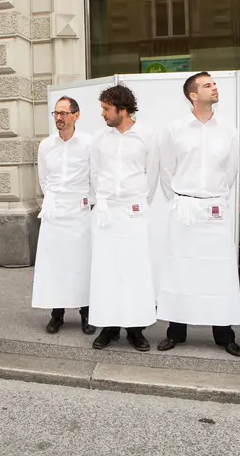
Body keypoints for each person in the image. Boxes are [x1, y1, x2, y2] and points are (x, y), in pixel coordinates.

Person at [156, 72, 240, 357]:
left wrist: (214, 197)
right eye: (207, 85)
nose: (214, 88)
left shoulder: (228, 130)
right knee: (180, 269)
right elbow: (166, 170)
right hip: (185, 207)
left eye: (214, 84)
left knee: (219, 272)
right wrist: (181, 198)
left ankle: (224, 334)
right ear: (193, 95)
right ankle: (176, 332)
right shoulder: (175, 129)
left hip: (215, 207)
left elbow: (231, 171)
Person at [88, 85, 158, 351]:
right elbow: (95, 172)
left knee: (134, 270)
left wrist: (138, 202)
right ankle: (109, 326)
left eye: (107, 108)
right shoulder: (100, 138)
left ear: (122, 109)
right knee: (107, 270)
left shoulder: (146, 136)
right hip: (107, 212)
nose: (103, 114)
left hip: (133, 211)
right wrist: (103, 201)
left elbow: (152, 175)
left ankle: (135, 329)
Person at [32, 96, 96, 335]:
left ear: (76, 115)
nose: (59, 118)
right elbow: (43, 179)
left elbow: (94, 176)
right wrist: (52, 199)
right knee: (54, 264)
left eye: (63, 113)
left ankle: (86, 312)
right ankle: (56, 313)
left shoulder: (89, 143)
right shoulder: (46, 145)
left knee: (81, 262)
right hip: (55, 211)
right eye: (56, 114)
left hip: (79, 210)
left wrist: (89, 202)